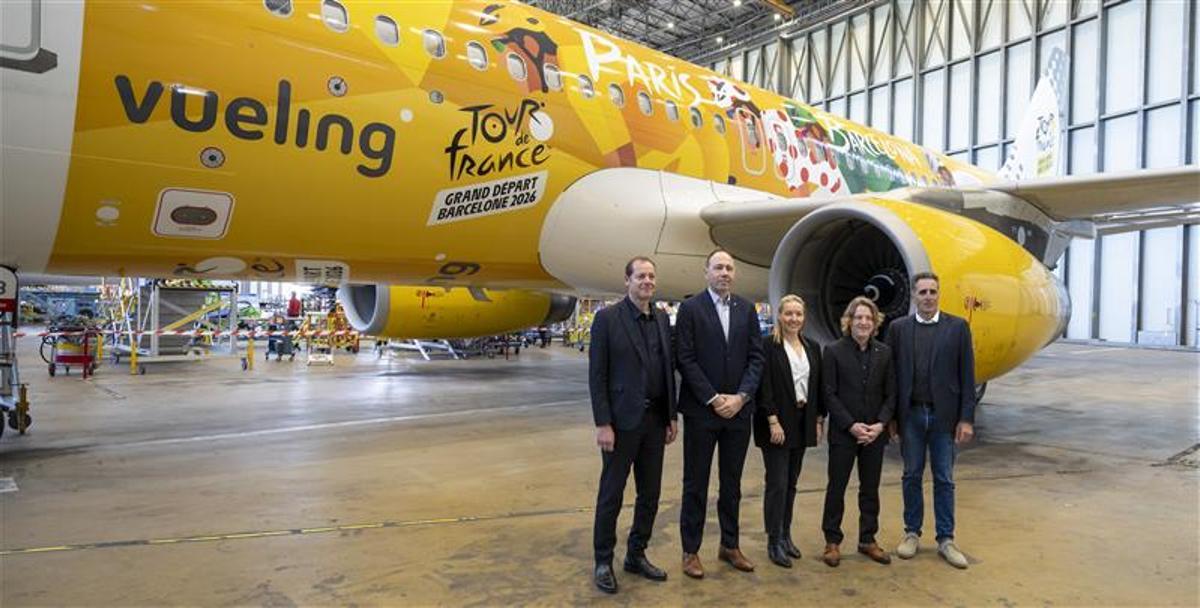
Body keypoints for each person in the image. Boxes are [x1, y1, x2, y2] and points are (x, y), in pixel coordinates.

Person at [588, 256, 678, 594]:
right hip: (621, 424)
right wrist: (603, 423)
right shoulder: (607, 319)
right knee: (611, 495)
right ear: (627, 281)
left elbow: (667, 371)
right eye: (640, 276)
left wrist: (671, 415)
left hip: (655, 422)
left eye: (651, 276)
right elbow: (597, 376)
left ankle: (636, 554)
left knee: (650, 495)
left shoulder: (661, 318)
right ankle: (602, 560)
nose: (647, 282)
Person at [677, 249, 765, 578]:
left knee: (732, 484)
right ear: (706, 272)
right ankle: (691, 550)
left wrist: (741, 397)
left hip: (738, 414)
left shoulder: (747, 309)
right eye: (718, 267)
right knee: (695, 483)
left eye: (729, 268)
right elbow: (685, 359)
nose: (724, 273)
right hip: (703, 412)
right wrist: (714, 398)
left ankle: (730, 545)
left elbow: (756, 358)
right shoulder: (690, 309)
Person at [885, 271, 976, 569]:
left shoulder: (958, 328)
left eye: (932, 292)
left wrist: (966, 419)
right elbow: (892, 377)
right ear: (913, 295)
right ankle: (911, 533)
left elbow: (967, 377)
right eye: (922, 292)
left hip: (944, 418)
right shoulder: (898, 329)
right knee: (911, 475)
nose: (927, 297)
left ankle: (946, 539)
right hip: (910, 415)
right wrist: (892, 418)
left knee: (944, 478)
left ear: (939, 294)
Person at [820, 296, 896, 568]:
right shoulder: (834, 351)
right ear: (848, 321)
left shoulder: (885, 353)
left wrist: (880, 424)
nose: (864, 322)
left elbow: (892, 394)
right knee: (836, 487)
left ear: (875, 324)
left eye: (869, 318)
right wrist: (851, 425)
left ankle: (867, 539)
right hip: (844, 433)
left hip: (874, 434)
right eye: (859, 317)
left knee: (870, 488)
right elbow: (829, 394)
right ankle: (832, 541)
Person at [753, 294, 823, 568]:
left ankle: (785, 534)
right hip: (777, 421)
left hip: (803, 419)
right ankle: (773, 540)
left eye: (798, 314)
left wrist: (818, 420)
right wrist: (772, 420)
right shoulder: (767, 346)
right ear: (779, 316)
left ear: (804, 318)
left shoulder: (812, 347)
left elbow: (816, 386)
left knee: (792, 483)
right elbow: (764, 386)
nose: (794, 319)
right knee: (777, 484)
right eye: (788, 314)